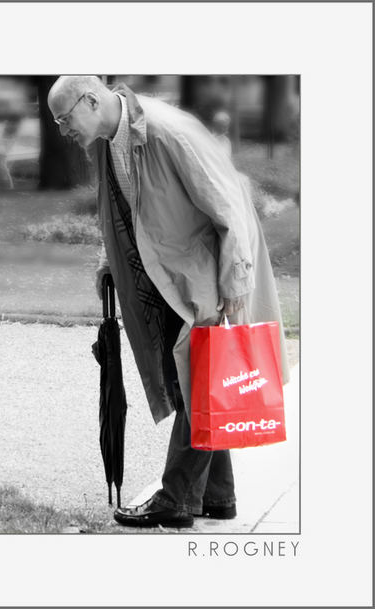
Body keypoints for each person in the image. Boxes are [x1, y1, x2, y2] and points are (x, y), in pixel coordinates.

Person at [47, 76, 289, 528]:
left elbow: (230, 206)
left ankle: (174, 499)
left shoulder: (166, 131)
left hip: (202, 272)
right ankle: (218, 497)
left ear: (92, 100)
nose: (62, 130)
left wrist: (236, 280)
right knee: (190, 382)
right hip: (163, 273)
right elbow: (117, 209)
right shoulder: (103, 141)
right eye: (56, 122)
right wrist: (107, 261)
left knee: (198, 383)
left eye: (64, 118)